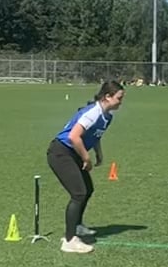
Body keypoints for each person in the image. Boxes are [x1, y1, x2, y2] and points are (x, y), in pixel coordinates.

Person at [47, 80, 125, 253]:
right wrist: (86, 158)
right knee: (79, 193)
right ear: (107, 96)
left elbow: (94, 135)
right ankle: (69, 240)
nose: (121, 102)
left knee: (88, 189)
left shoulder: (107, 116)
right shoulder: (93, 112)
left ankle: (77, 226)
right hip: (61, 152)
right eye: (119, 98)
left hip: (74, 152)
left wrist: (98, 153)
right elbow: (74, 136)